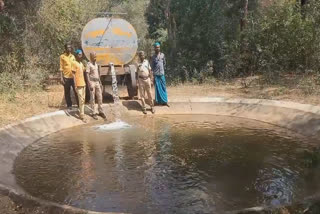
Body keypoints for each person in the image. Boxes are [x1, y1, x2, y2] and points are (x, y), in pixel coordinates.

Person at [86, 52, 107, 120]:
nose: (95, 58)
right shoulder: (89, 64)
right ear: (91, 57)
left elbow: (98, 75)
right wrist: (89, 84)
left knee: (100, 96)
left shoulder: (96, 64)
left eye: (96, 56)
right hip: (92, 82)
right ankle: (94, 112)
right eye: (94, 56)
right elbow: (87, 74)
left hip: (97, 82)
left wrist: (100, 83)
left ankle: (100, 111)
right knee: (92, 97)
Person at [59, 43, 78, 110]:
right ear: (65, 48)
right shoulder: (62, 57)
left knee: (76, 91)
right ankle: (69, 105)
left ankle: (79, 105)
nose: (69, 49)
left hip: (73, 77)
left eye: (70, 47)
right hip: (66, 77)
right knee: (67, 92)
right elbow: (61, 67)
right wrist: (61, 78)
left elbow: (76, 66)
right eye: (68, 47)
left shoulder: (73, 56)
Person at [151, 42, 169, 107]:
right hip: (156, 75)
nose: (157, 48)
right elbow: (152, 67)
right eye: (156, 47)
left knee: (164, 87)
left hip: (161, 74)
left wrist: (161, 69)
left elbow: (164, 63)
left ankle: (165, 101)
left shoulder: (162, 55)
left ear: (160, 48)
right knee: (157, 89)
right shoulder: (153, 57)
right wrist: (152, 76)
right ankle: (157, 101)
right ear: (154, 48)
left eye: (158, 47)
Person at [72, 49, 87, 122]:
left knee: (83, 100)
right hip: (78, 84)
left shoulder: (81, 63)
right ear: (76, 55)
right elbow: (73, 74)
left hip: (83, 84)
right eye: (79, 54)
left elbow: (84, 70)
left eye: (81, 54)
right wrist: (75, 84)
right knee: (81, 100)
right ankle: (82, 115)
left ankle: (81, 112)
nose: (80, 56)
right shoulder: (74, 63)